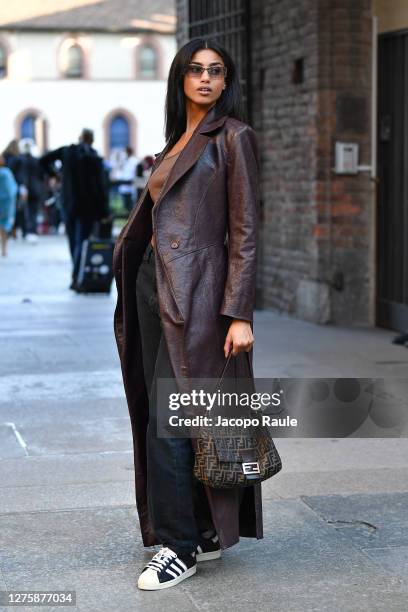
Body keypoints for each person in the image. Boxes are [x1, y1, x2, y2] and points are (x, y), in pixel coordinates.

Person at [112, 38, 261, 591]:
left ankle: (177, 548)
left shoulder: (234, 138)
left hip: (200, 296)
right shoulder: (177, 141)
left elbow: (244, 232)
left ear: (226, 82)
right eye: (195, 70)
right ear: (180, 79)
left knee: (169, 419)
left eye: (215, 72)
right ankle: (198, 530)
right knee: (171, 409)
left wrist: (238, 312)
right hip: (154, 289)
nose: (205, 79)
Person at [40, 129, 109, 290]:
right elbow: (100, 187)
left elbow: (43, 160)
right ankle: (76, 276)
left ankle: (75, 275)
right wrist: (104, 211)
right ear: (92, 140)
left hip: (68, 203)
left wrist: (55, 174)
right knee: (82, 240)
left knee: (73, 241)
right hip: (87, 206)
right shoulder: (94, 157)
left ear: (80, 138)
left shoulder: (66, 151)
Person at [15, 139, 45, 243]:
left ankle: (29, 231)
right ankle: (29, 231)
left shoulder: (23, 159)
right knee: (29, 211)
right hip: (31, 189)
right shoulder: (30, 160)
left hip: (30, 189)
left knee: (29, 211)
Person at [0, 155, 18, 256]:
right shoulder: (6, 173)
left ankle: (4, 249)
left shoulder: (6, 172)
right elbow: (12, 188)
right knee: (4, 225)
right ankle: (4, 249)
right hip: (6, 202)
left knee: (3, 225)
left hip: (5, 202)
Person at [118, 146, 139, 212]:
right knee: (126, 207)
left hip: (131, 188)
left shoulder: (135, 161)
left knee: (132, 208)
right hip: (123, 188)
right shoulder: (123, 161)